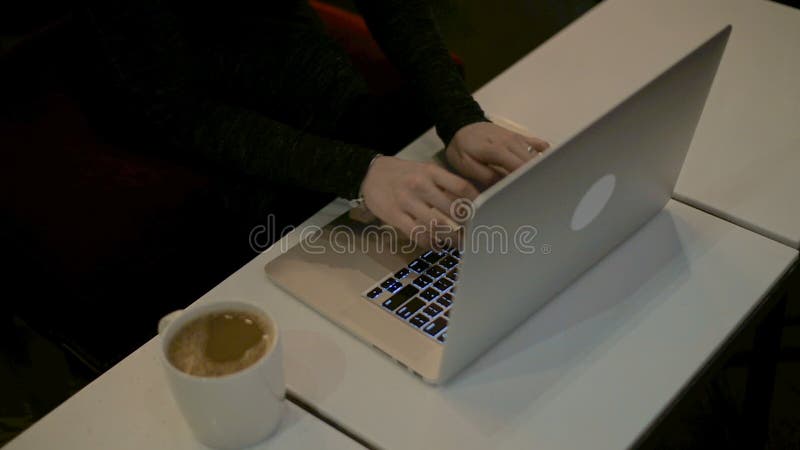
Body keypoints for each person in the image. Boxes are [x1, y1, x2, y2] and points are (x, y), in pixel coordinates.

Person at [80, 0, 549, 248]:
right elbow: (173, 109)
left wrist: (459, 117)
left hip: (290, 56)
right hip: (176, 125)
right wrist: (358, 171)